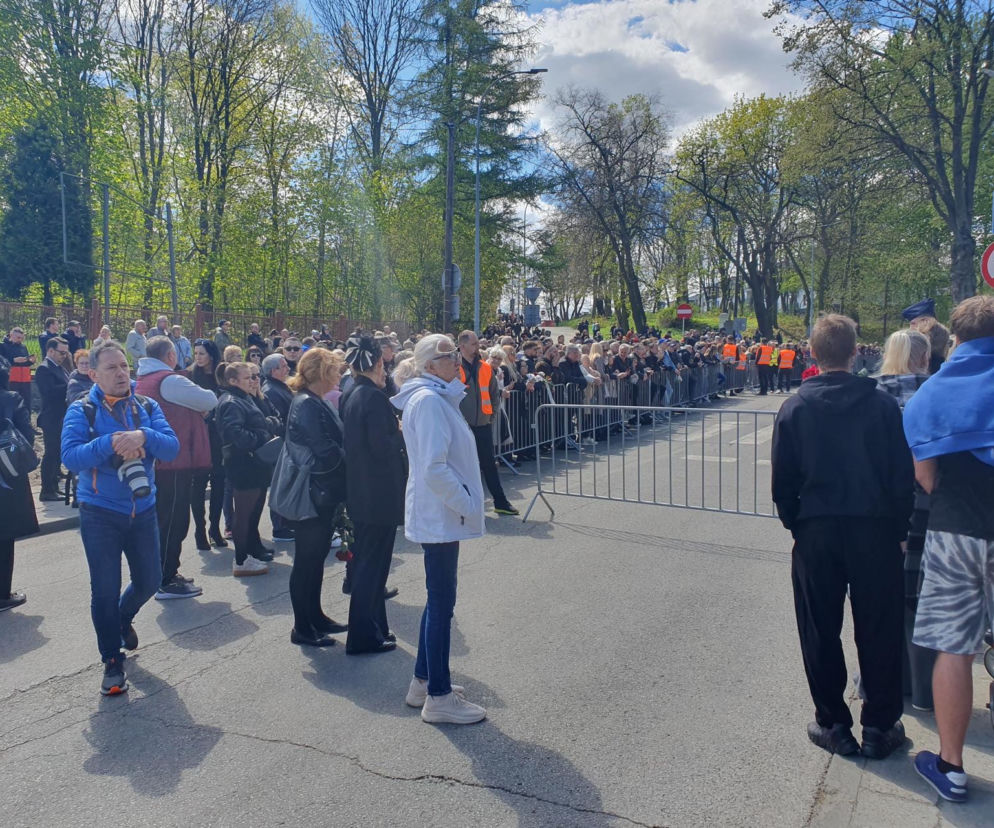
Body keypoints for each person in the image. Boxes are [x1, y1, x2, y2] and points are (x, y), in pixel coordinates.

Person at [771, 314, 913, 759]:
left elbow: (782, 484)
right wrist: (899, 528)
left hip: (817, 531)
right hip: (873, 529)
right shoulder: (883, 407)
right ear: (855, 353)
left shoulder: (795, 407)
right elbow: (899, 477)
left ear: (812, 354)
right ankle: (880, 723)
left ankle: (833, 722)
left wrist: (799, 524)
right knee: (879, 627)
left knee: (820, 628)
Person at [903, 295, 994, 803]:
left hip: (958, 523)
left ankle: (952, 767)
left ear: (954, 338)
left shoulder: (933, 393)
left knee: (954, 648)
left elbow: (925, 475)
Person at [61, 340, 179, 695]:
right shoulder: (82, 410)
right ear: (93, 374)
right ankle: (112, 660)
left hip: (143, 511)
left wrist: (142, 435)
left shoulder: (147, 406)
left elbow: (171, 447)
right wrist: (112, 443)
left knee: (150, 580)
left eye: (125, 366)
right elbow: (70, 457)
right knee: (105, 589)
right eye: (111, 368)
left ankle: (123, 617)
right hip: (100, 512)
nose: (121, 373)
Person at [391, 334, 487, 724]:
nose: (457, 360)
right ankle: (439, 697)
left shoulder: (434, 396)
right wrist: (466, 503)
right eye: (449, 356)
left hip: (442, 514)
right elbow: (435, 466)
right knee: (442, 604)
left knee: (438, 600)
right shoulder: (429, 400)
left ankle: (423, 681)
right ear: (431, 365)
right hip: (442, 515)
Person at [136, 336, 218, 599]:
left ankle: (164, 573)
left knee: (165, 520)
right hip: (173, 461)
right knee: (173, 521)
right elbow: (209, 400)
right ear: (171, 356)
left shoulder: (144, 379)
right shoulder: (168, 379)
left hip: (160, 460)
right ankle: (165, 579)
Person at [341, 333, 406, 655]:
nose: (386, 370)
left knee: (372, 566)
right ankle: (365, 636)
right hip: (377, 493)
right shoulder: (373, 398)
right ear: (377, 363)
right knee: (372, 568)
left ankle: (376, 628)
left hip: (363, 492)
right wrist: (399, 433)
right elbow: (381, 448)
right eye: (384, 364)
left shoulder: (352, 394)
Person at [283, 348, 348, 646]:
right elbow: (323, 448)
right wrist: (352, 458)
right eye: (335, 370)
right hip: (312, 492)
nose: (338, 375)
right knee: (307, 560)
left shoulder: (313, 401)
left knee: (316, 558)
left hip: (320, 489)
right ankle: (302, 627)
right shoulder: (307, 404)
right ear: (321, 372)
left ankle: (315, 616)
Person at [215, 362, 281, 576]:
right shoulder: (231, 401)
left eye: (254, 377)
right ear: (232, 381)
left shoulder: (244, 398)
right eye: (247, 378)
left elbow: (264, 420)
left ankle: (251, 551)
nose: (253, 381)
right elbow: (236, 435)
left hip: (255, 463)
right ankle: (241, 560)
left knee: (253, 513)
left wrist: (263, 430)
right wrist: (262, 437)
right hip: (243, 464)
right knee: (243, 514)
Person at [456, 330, 518, 516]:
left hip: (482, 425)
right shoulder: (453, 367)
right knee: (462, 467)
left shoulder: (484, 367)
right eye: (474, 344)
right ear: (463, 346)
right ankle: (466, 506)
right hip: (461, 426)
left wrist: (489, 417)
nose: (478, 347)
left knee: (489, 465)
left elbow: (494, 394)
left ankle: (500, 502)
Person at [0, 357, 38, 612]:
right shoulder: (11, 398)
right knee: (4, 537)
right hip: (7, 475)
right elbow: (27, 434)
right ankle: (3, 594)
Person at [188, 339, 228, 550]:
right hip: (199, 435)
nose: (198, 357)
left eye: (201, 353)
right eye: (196, 353)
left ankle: (215, 528)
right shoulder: (190, 375)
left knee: (219, 482)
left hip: (218, 435)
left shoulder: (221, 373)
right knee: (199, 483)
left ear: (211, 355)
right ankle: (200, 530)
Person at [35, 336, 72, 501]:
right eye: (61, 352)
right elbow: (48, 392)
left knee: (57, 452)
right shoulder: (44, 368)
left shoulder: (59, 367)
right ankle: (47, 490)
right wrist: (70, 385)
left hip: (61, 416)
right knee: (50, 453)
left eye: (66, 353)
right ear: (50, 350)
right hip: (51, 417)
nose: (64, 356)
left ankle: (54, 485)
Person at [261, 353, 293, 542]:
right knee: (280, 485)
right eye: (283, 366)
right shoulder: (272, 390)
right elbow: (279, 420)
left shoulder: (280, 387)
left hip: (288, 445)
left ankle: (286, 523)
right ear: (273, 371)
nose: (288, 368)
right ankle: (280, 527)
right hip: (282, 445)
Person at [1, 327, 35, 409]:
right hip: (11, 378)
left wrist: (30, 361)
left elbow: (24, 362)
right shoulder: (2, 346)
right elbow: (1, 361)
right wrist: (13, 360)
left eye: (22, 338)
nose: (20, 340)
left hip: (25, 379)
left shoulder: (23, 347)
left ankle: (27, 419)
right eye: (18, 337)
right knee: (12, 401)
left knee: (26, 401)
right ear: (11, 335)